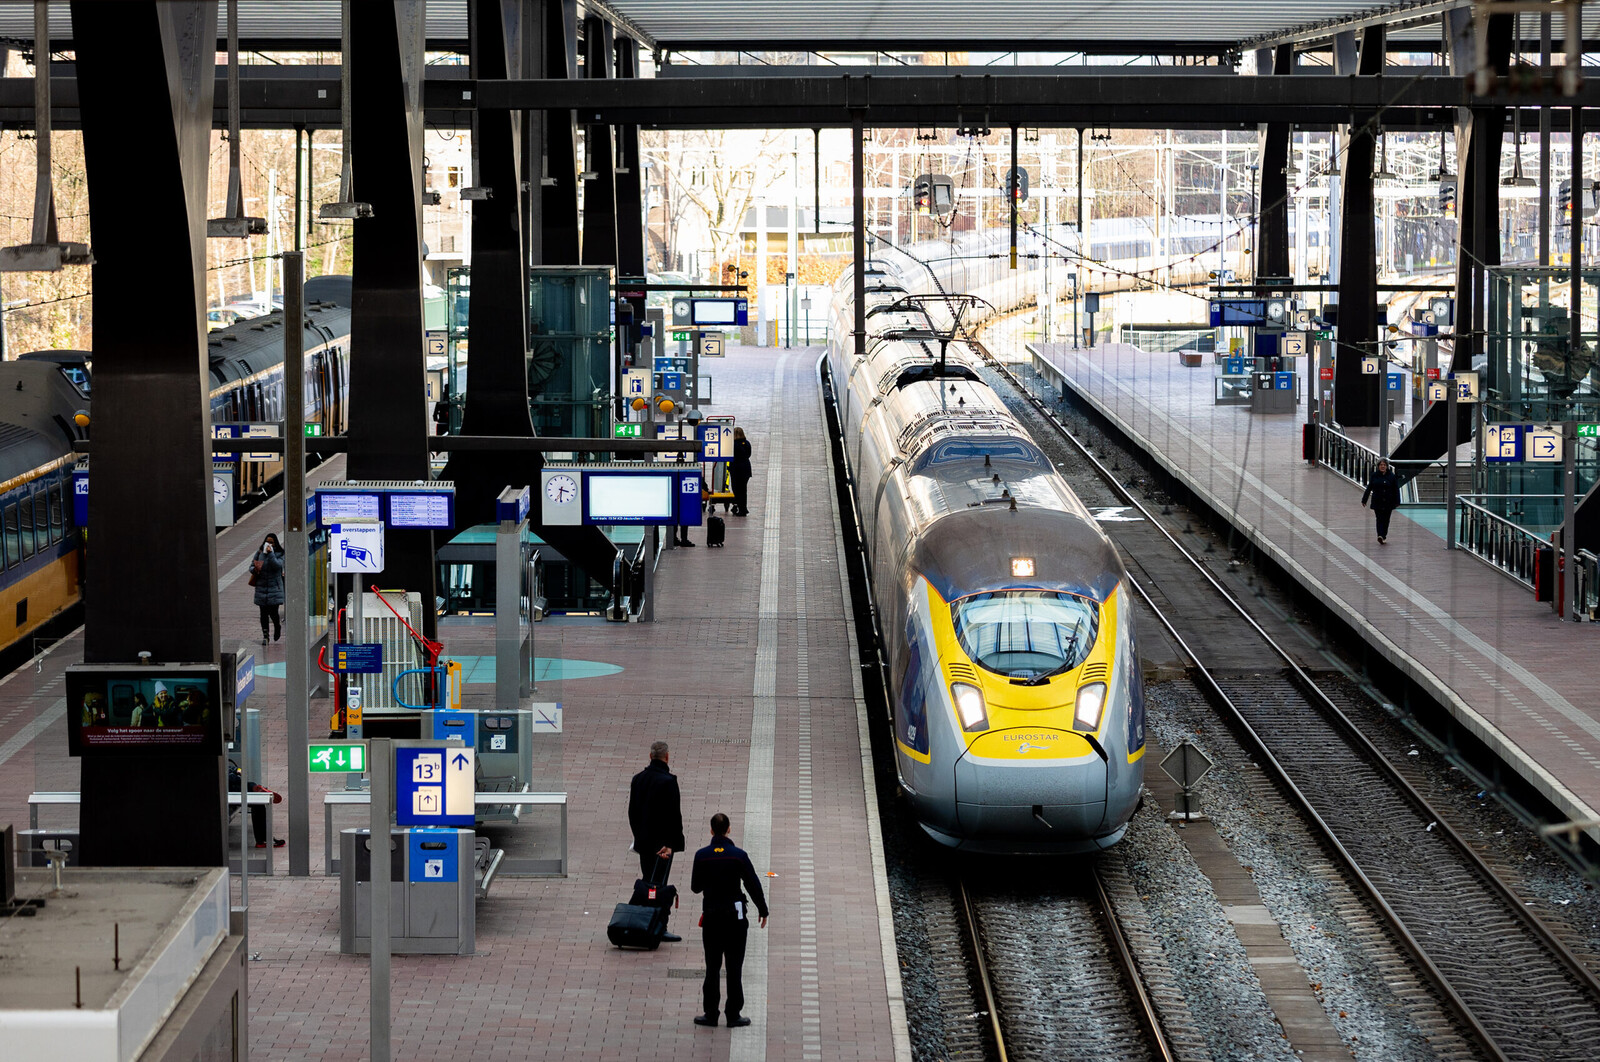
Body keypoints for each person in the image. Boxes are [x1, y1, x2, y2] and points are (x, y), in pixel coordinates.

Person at [690, 812, 769, 1028]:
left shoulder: (702, 855)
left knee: (712, 966)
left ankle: (711, 1014)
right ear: (729, 829)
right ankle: (733, 1014)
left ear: (711, 831)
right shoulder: (738, 855)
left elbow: (695, 887)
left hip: (712, 917)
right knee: (735, 966)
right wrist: (763, 909)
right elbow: (753, 884)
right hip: (736, 918)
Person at [628, 740, 686, 942]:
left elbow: (632, 813)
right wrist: (671, 844)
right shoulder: (668, 782)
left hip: (644, 843)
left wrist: (639, 838)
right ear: (667, 757)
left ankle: (644, 920)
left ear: (650, 756)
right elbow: (673, 817)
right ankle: (656, 925)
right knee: (658, 887)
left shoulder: (638, 779)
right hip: (662, 846)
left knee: (648, 881)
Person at [228, 758, 284, 848]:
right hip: (226, 791)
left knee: (258, 804)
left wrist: (236, 770)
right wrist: (236, 774)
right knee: (255, 796)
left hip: (229, 788)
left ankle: (262, 840)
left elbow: (229, 770)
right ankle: (256, 789)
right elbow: (225, 776)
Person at [253, 533, 286, 643]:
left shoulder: (280, 553)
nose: (269, 544)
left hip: (274, 588)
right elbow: (251, 566)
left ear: (275, 543)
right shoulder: (259, 552)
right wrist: (255, 569)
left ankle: (277, 627)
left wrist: (271, 554)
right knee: (263, 613)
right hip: (261, 587)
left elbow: (277, 566)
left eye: (271, 542)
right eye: (267, 541)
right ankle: (265, 636)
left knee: (273, 612)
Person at [1361, 457, 1402, 545]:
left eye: (1384, 465)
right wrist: (1364, 499)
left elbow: (1396, 489)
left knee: (1386, 519)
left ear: (1387, 466)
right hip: (1377, 501)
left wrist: (1397, 501)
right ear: (1378, 466)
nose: (1382, 466)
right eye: (1381, 465)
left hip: (1388, 502)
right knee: (1379, 519)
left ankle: (1384, 536)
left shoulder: (1392, 476)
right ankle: (1380, 535)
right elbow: (1369, 488)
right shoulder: (1374, 476)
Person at [730, 427, 753, 518]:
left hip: (736, 469)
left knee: (736, 489)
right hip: (746, 468)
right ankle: (743, 508)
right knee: (743, 490)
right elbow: (749, 455)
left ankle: (741, 508)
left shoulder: (733, 445)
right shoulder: (747, 443)